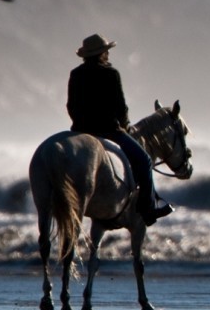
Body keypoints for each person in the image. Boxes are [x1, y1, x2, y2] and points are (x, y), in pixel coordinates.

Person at [67, 34, 172, 224]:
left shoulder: (76, 73)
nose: (108, 54)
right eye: (106, 51)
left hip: (80, 132)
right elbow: (120, 106)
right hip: (108, 130)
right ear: (101, 54)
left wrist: (80, 125)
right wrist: (125, 126)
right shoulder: (110, 74)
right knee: (145, 160)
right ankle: (148, 209)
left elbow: (71, 106)